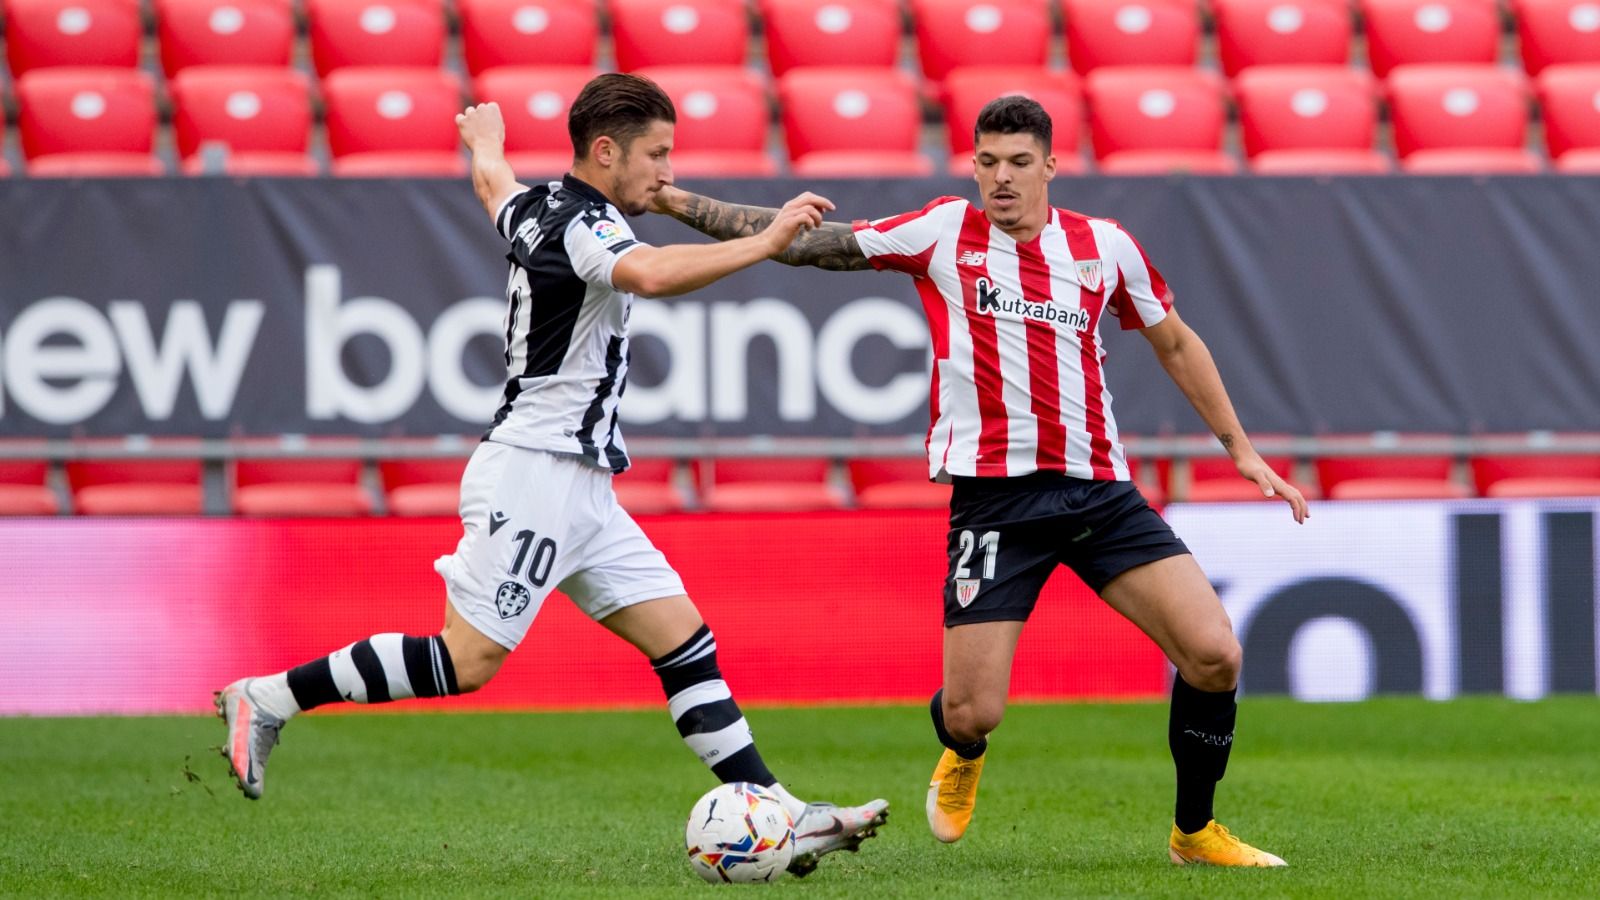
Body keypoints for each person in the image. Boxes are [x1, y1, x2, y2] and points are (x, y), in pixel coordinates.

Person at [214, 73, 888, 878]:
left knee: (684, 643)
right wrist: (766, 241)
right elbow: (654, 276)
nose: (666, 173)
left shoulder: (534, 204)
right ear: (606, 152)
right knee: (467, 662)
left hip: (582, 489)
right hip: (534, 474)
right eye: (657, 155)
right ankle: (269, 698)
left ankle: (779, 813)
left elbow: (490, 184)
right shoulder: (583, 224)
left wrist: (486, 142)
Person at [650, 95, 1309, 867]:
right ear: (972, 164)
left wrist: (1241, 450)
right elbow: (813, 247)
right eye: (987, 162)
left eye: (1019, 163)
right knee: (973, 710)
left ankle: (1194, 832)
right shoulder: (942, 232)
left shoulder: (1105, 247)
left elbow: (1176, 342)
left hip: (1099, 491)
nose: (1001, 178)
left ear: (1051, 167)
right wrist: (675, 201)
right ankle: (962, 748)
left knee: (1214, 654)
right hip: (996, 502)